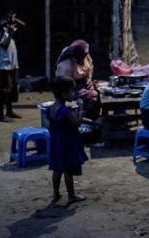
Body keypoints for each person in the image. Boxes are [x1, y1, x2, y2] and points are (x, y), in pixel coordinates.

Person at [48, 76, 87, 205]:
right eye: (72, 91)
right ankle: (71, 196)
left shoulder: (53, 107)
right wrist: (81, 108)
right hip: (67, 142)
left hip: (56, 142)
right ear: (64, 94)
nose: (74, 94)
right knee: (68, 170)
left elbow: (51, 125)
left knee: (57, 169)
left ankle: (55, 194)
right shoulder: (65, 110)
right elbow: (76, 123)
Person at [0, 5, 24, 122]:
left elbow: (23, 25)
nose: (9, 19)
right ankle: (0, 114)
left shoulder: (5, 28)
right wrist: (10, 32)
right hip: (3, 65)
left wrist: (14, 20)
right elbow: (4, 45)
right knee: (5, 89)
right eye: (7, 17)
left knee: (13, 87)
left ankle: (9, 111)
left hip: (13, 63)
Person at [54, 40, 100, 119]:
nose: (84, 58)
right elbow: (63, 91)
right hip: (69, 90)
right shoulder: (65, 67)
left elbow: (90, 66)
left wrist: (89, 79)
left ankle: (94, 119)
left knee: (99, 94)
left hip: (83, 84)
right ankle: (81, 119)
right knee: (90, 98)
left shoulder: (84, 53)